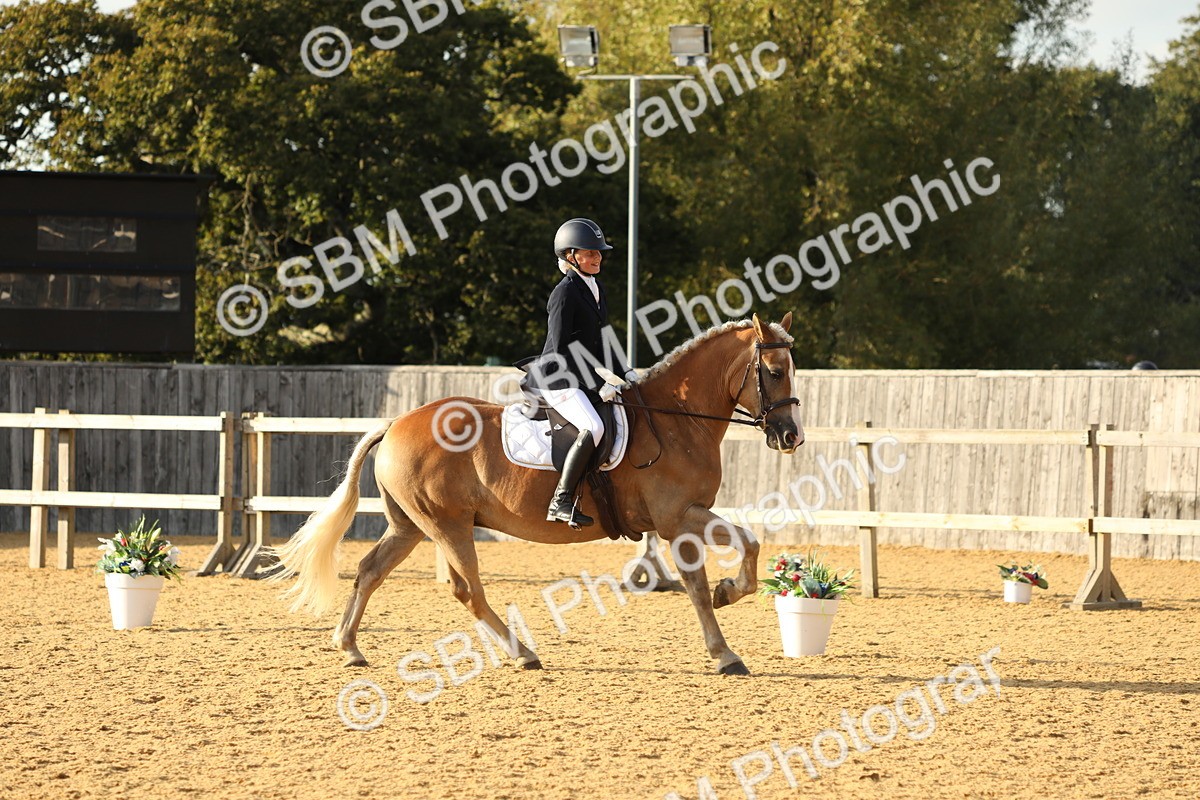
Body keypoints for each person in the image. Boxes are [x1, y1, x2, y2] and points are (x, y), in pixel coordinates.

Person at [515, 218, 638, 528]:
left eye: (599, 253)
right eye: (590, 253)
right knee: (594, 427)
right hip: (558, 378)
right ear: (570, 256)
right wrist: (597, 386)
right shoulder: (564, 293)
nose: (598, 258)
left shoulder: (595, 288)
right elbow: (559, 351)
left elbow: (605, 340)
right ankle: (561, 500)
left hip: (579, 376)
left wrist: (626, 373)